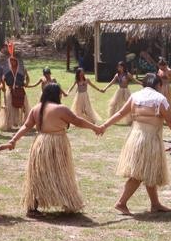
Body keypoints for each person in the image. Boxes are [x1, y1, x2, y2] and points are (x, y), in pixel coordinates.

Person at [8, 82, 103, 217]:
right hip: (56, 143)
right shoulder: (61, 109)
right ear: (56, 94)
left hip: (40, 144)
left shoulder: (37, 108)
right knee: (61, 173)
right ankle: (68, 204)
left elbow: (26, 126)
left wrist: (14, 139)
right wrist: (95, 128)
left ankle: (33, 206)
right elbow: (78, 121)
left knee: (39, 175)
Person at [101, 73, 171, 215]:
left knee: (150, 170)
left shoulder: (135, 96)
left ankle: (155, 204)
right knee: (139, 173)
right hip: (149, 139)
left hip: (135, 138)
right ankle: (121, 202)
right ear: (159, 85)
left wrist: (104, 126)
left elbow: (120, 114)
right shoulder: (160, 99)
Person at [0, 55, 29, 132]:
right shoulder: (6, 71)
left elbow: (27, 80)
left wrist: (27, 80)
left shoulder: (22, 70)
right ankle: (8, 124)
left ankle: (25, 123)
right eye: (11, 60)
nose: (12, 62)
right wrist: (2, 86)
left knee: (24, 107)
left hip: (20, 90)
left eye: (14, 60)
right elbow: (2, 81)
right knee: (9, 107)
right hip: (10, 91)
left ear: (17, 61)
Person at [104, 61, 135, 126]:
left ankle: (131, 120)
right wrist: (105, 88)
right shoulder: (117, 75)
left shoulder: (127, 74)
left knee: (129, 105)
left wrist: (142, 83)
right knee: (114, 104)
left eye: (120, 67)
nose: (119, 68)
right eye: (118, 67)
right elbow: (111, 82)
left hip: (126, 91)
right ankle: (112, 118)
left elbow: (134, 80)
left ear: (123, 67)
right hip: (119, 91)